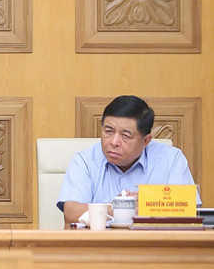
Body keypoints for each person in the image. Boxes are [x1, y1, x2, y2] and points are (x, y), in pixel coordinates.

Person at [58, 95, 200, 225]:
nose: (114, 142)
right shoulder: (84, 161)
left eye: (125, 135)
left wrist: (147, 203)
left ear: (146, 141)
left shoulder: (171, 160)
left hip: (154, 248)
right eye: (108, 131)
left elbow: (189, 210)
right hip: (99, 248)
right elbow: (71, 212)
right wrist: (120, 208)